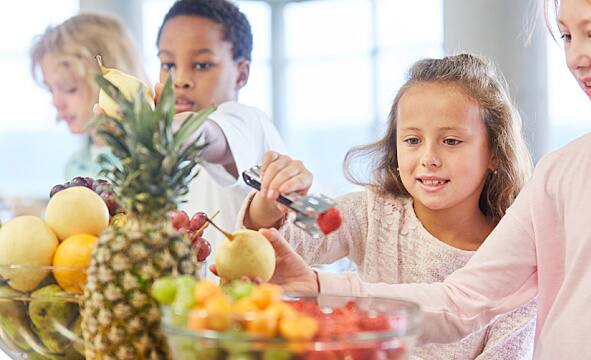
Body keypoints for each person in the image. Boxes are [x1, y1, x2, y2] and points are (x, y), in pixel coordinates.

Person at [260, 0, 591, 358]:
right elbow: (461, 301)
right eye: (568, 36)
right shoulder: (559, 172)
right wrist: (308, 273)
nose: (575, 58)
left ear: (493, 152)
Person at [241, 54, 536, 359]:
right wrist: (268, 206)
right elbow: (281, 253)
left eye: (451, 141)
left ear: (495, 153)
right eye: (412, 140)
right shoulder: (371, 214)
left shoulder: (515, 259)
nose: (428, 157)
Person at [155, 0, 286, 262]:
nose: (179, 79)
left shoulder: (246, 121)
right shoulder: (164, 148)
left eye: (202, 65)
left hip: (249, 301)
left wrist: (159, 126)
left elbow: (205, 135)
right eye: (168, 65)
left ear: (241, 74)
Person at [30, 13, 149, 180]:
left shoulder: (149, 165)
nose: (56, 102)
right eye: (51, 89)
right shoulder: (74, 166)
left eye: (69, 88)